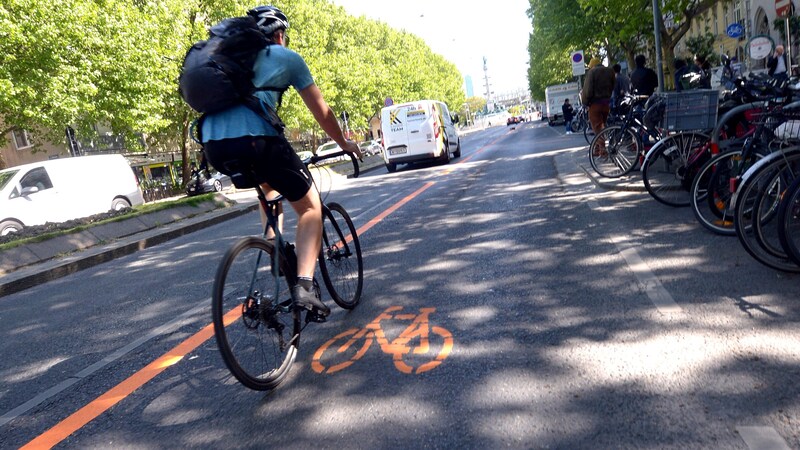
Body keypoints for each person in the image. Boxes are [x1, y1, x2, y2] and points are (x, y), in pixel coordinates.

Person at [200, 5, 361, 318]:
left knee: (269, 185)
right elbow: (323, 113)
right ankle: (304, 286)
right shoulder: (285, 57)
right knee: (311, 206)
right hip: (257, 140)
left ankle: (273, 246)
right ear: (279, 34)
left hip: (214, 146)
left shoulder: (220, 60)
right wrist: (344, 143)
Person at [581, 57, 616, 153]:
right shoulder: (610, 71)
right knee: (601, 127)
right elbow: (613, 85)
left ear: (592, 66)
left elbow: (588, 90)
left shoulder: (592, 73)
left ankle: (602, 150)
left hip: (595, 104)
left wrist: (585, 102)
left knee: (597, 128)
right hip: (606, 104)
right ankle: (596, 149)